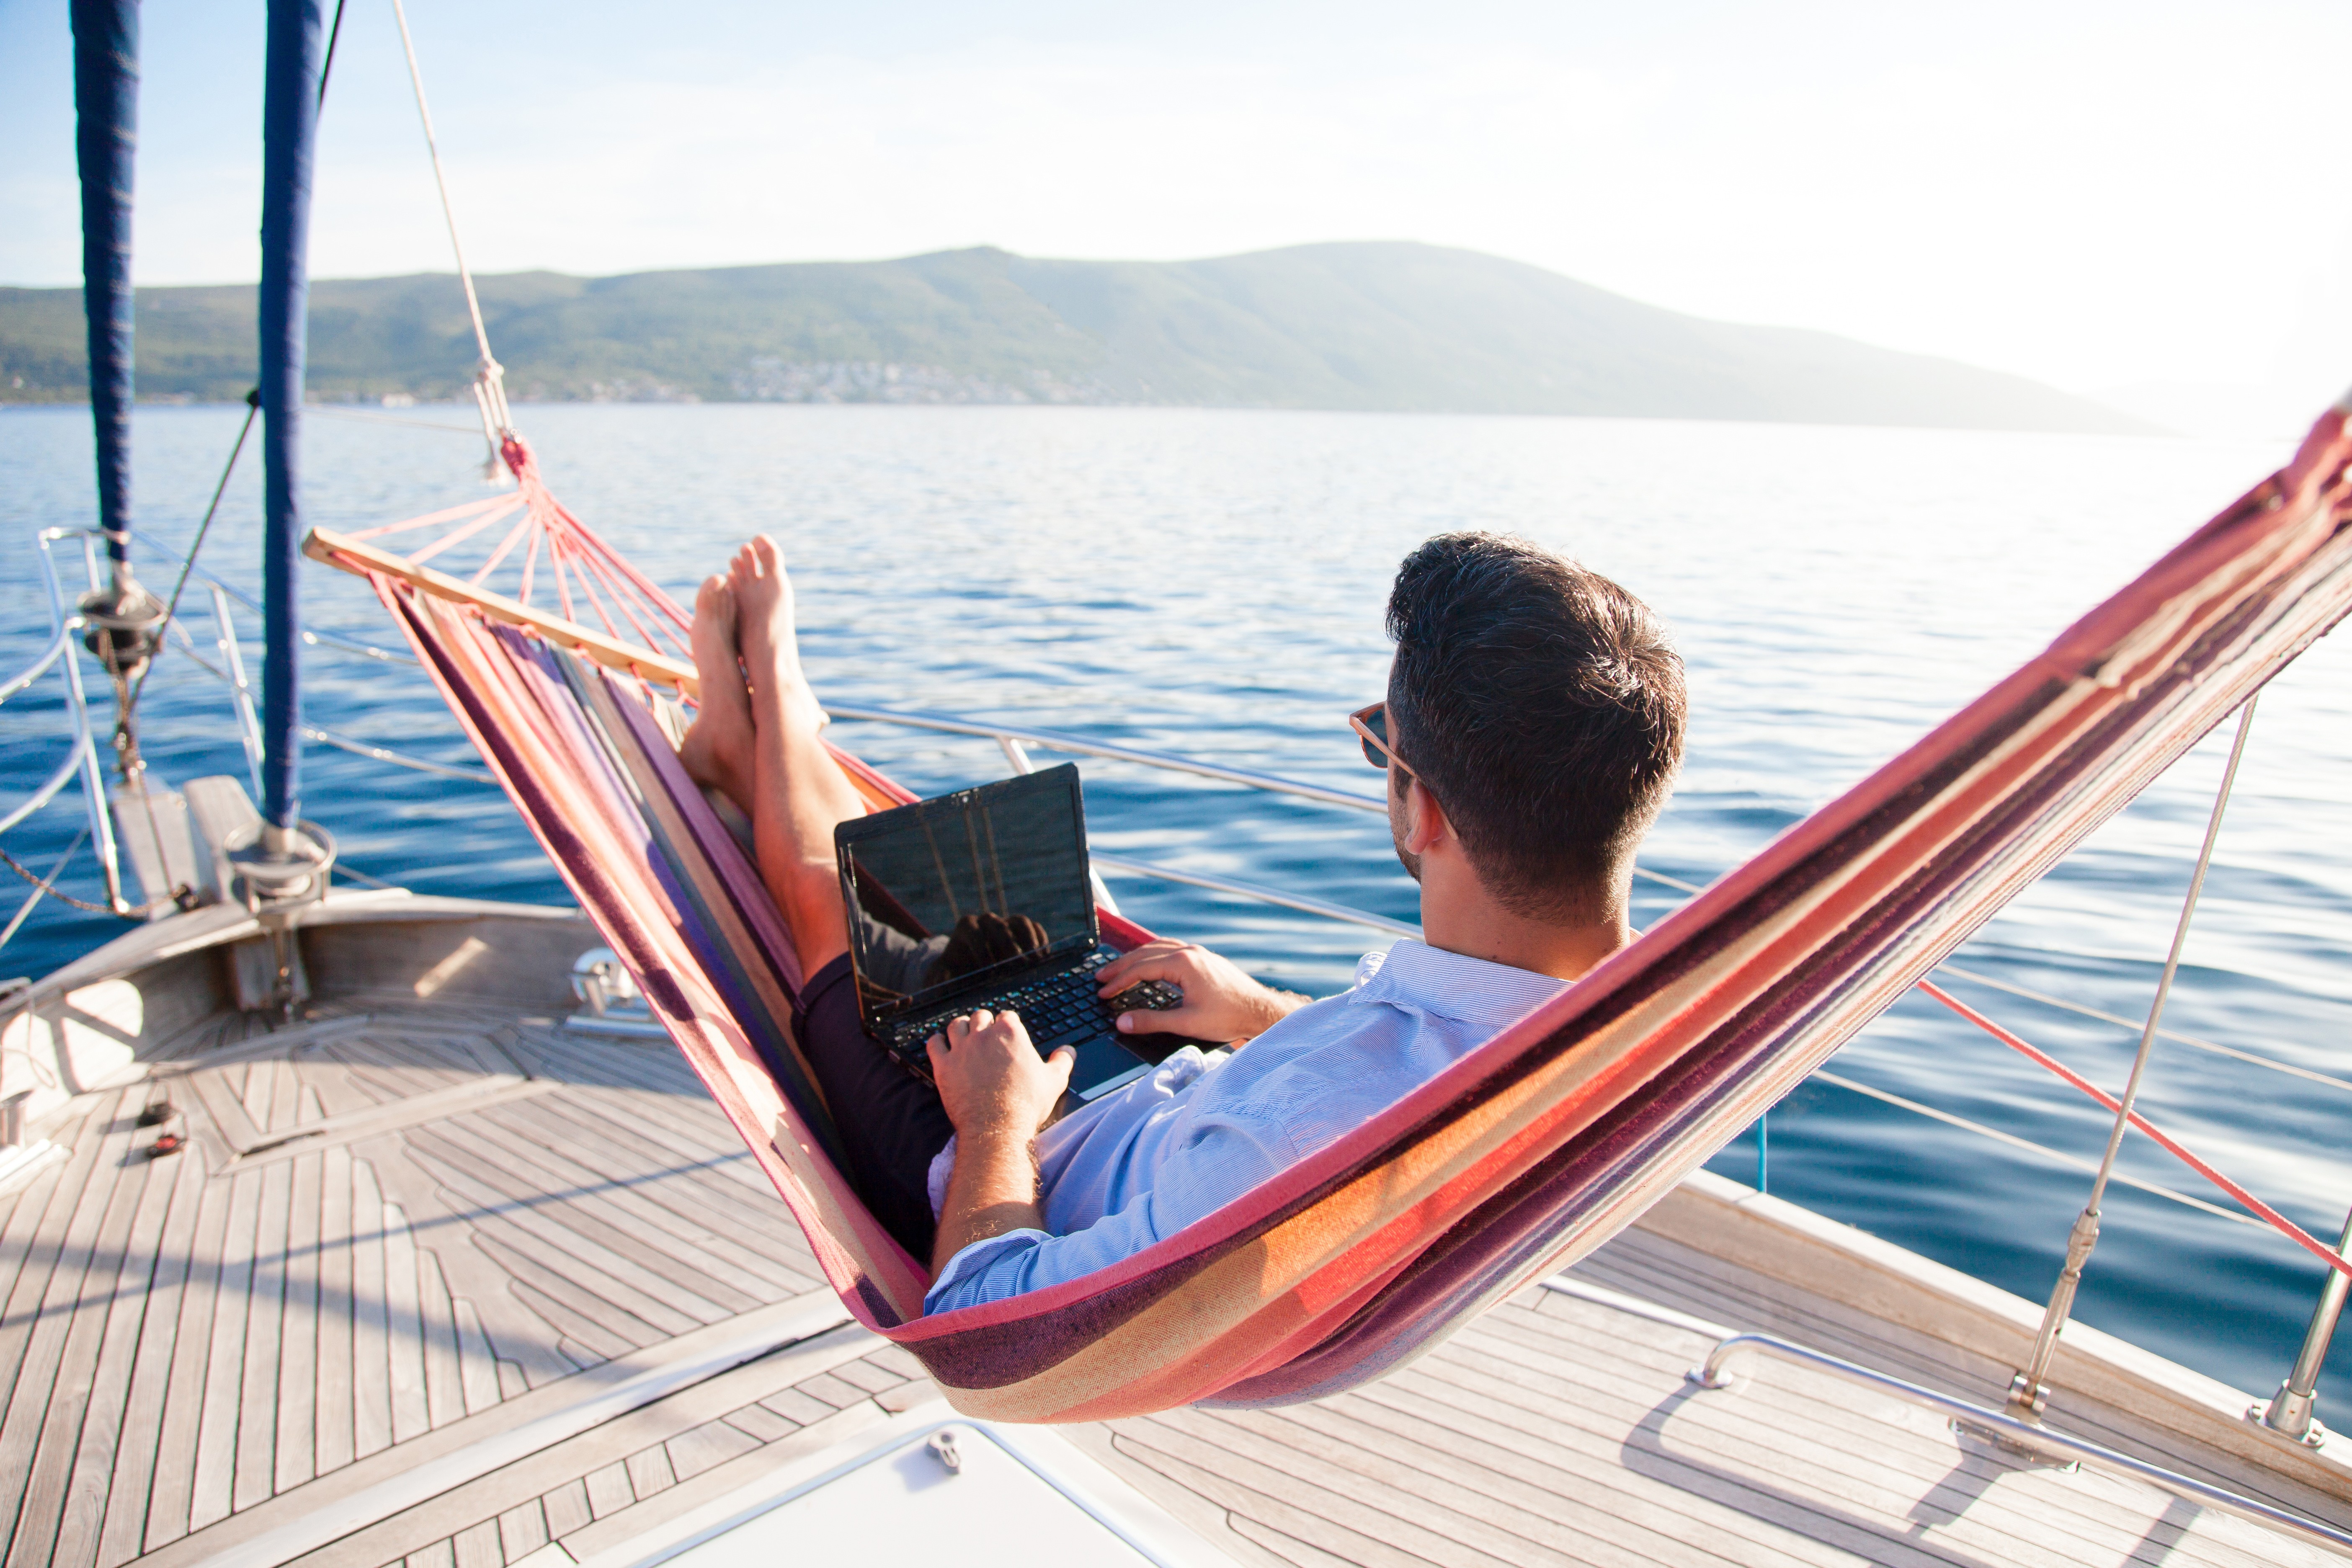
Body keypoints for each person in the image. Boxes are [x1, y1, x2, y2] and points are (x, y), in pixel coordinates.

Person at [679, 531, 1686, 1315]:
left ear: (1420, 811)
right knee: (918, 901)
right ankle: (771, 734)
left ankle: (767, 713)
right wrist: (1255, 1012)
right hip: (1167, 1093)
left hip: (1004, 1173)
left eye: (1381, 747)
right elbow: (1401, 1068)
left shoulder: (1282, 1144)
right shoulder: (1643, 1028)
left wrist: (996, 1119)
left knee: (833, 907)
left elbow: (987, 1309)